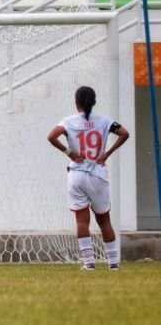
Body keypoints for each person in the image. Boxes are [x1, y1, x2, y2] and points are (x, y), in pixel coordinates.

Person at [47, 86, 129, 271]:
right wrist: (107, 153)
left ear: (76, 103)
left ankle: (89, 263)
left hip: (77, 175)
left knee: (82, 221)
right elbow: (125, 133)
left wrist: (69, 153)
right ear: (94, 102)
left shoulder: (68, 122)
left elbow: (51, 136)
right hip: (98, 175)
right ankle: (113, 264)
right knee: (104, 220)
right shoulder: (105, 121)